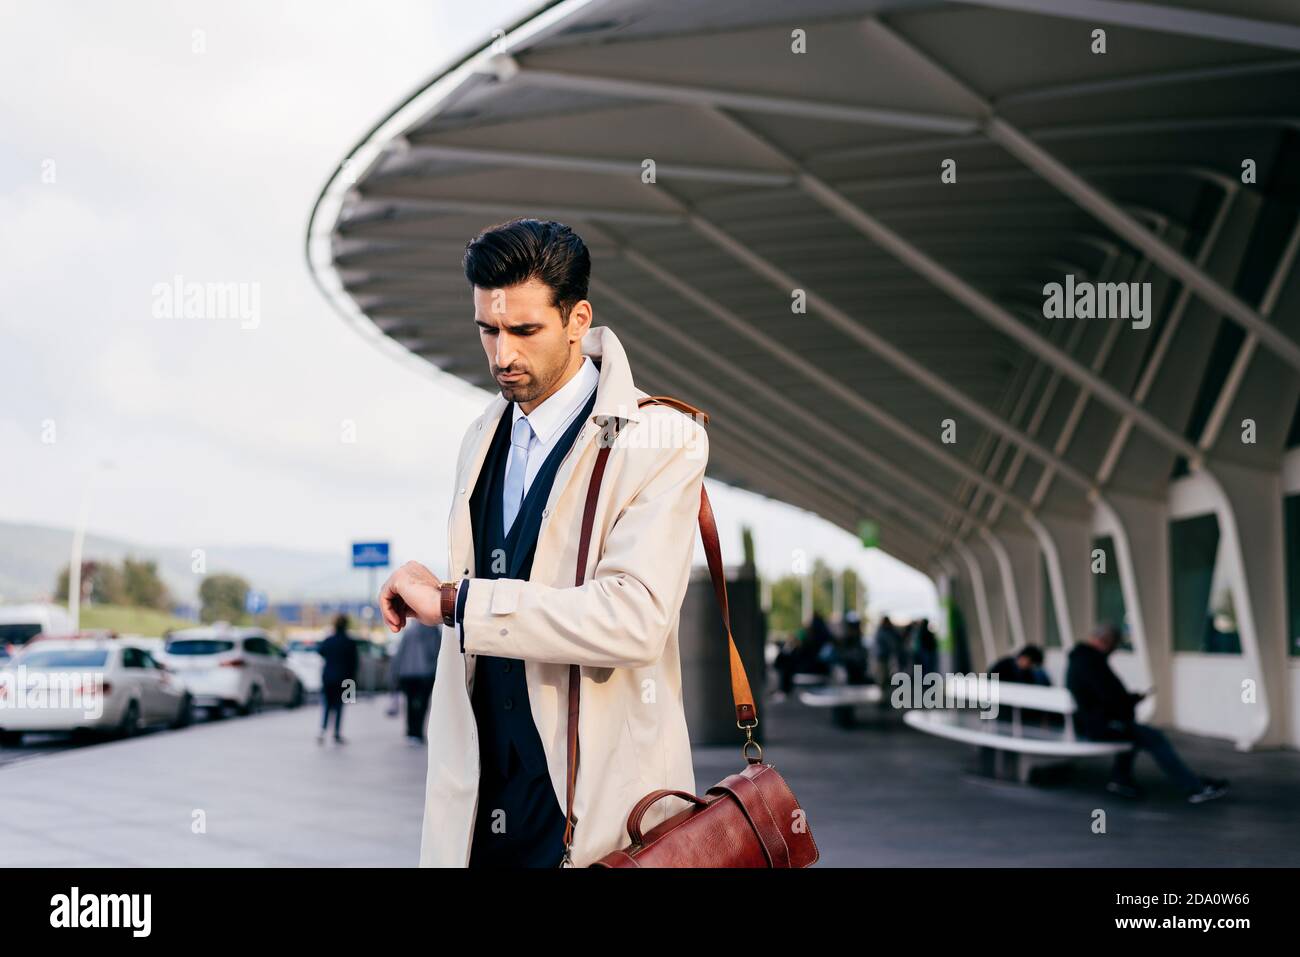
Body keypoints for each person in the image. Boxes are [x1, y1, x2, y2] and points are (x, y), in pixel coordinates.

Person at [378, 219, 710, 868]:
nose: (502, 355)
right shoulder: (479, 438)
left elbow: (635, 618)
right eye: (487, 330)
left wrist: (456, 601)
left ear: (576, 318)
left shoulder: (661, 439)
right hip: (479, 809)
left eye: (524, 330)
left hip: (594, 815)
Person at [1066, 623, 1228, 803]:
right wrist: (1130, 701)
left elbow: (1105, 695)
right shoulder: (1091, 662)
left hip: (1094, 722)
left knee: (1134, 733)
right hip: (1099, 725)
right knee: (1153, 737)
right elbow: (1109, 697)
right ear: (1106, 642)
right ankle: (1194, 788)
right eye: (1113, 646)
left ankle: (1121, 779)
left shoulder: (1082, 659)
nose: (1113, 651)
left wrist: (1128, 701)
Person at [390, 620, 442, 745]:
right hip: (426, 673)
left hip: (407, 674)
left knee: (409, 703)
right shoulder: (433, 631)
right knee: (422, 704)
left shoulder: (408, 632)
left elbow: (399, 654)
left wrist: (395, 673)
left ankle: (410, 732)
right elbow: (436, 652)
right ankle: (417, 733)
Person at [317, 614, 358, 745]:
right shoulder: (350, 642)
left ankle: (322, 731)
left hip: (328, 677)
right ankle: (336, 733)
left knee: (327, 705)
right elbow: (354, 664)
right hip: (345, 679)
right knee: (340, 706)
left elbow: (321, 652)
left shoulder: (329, 640)